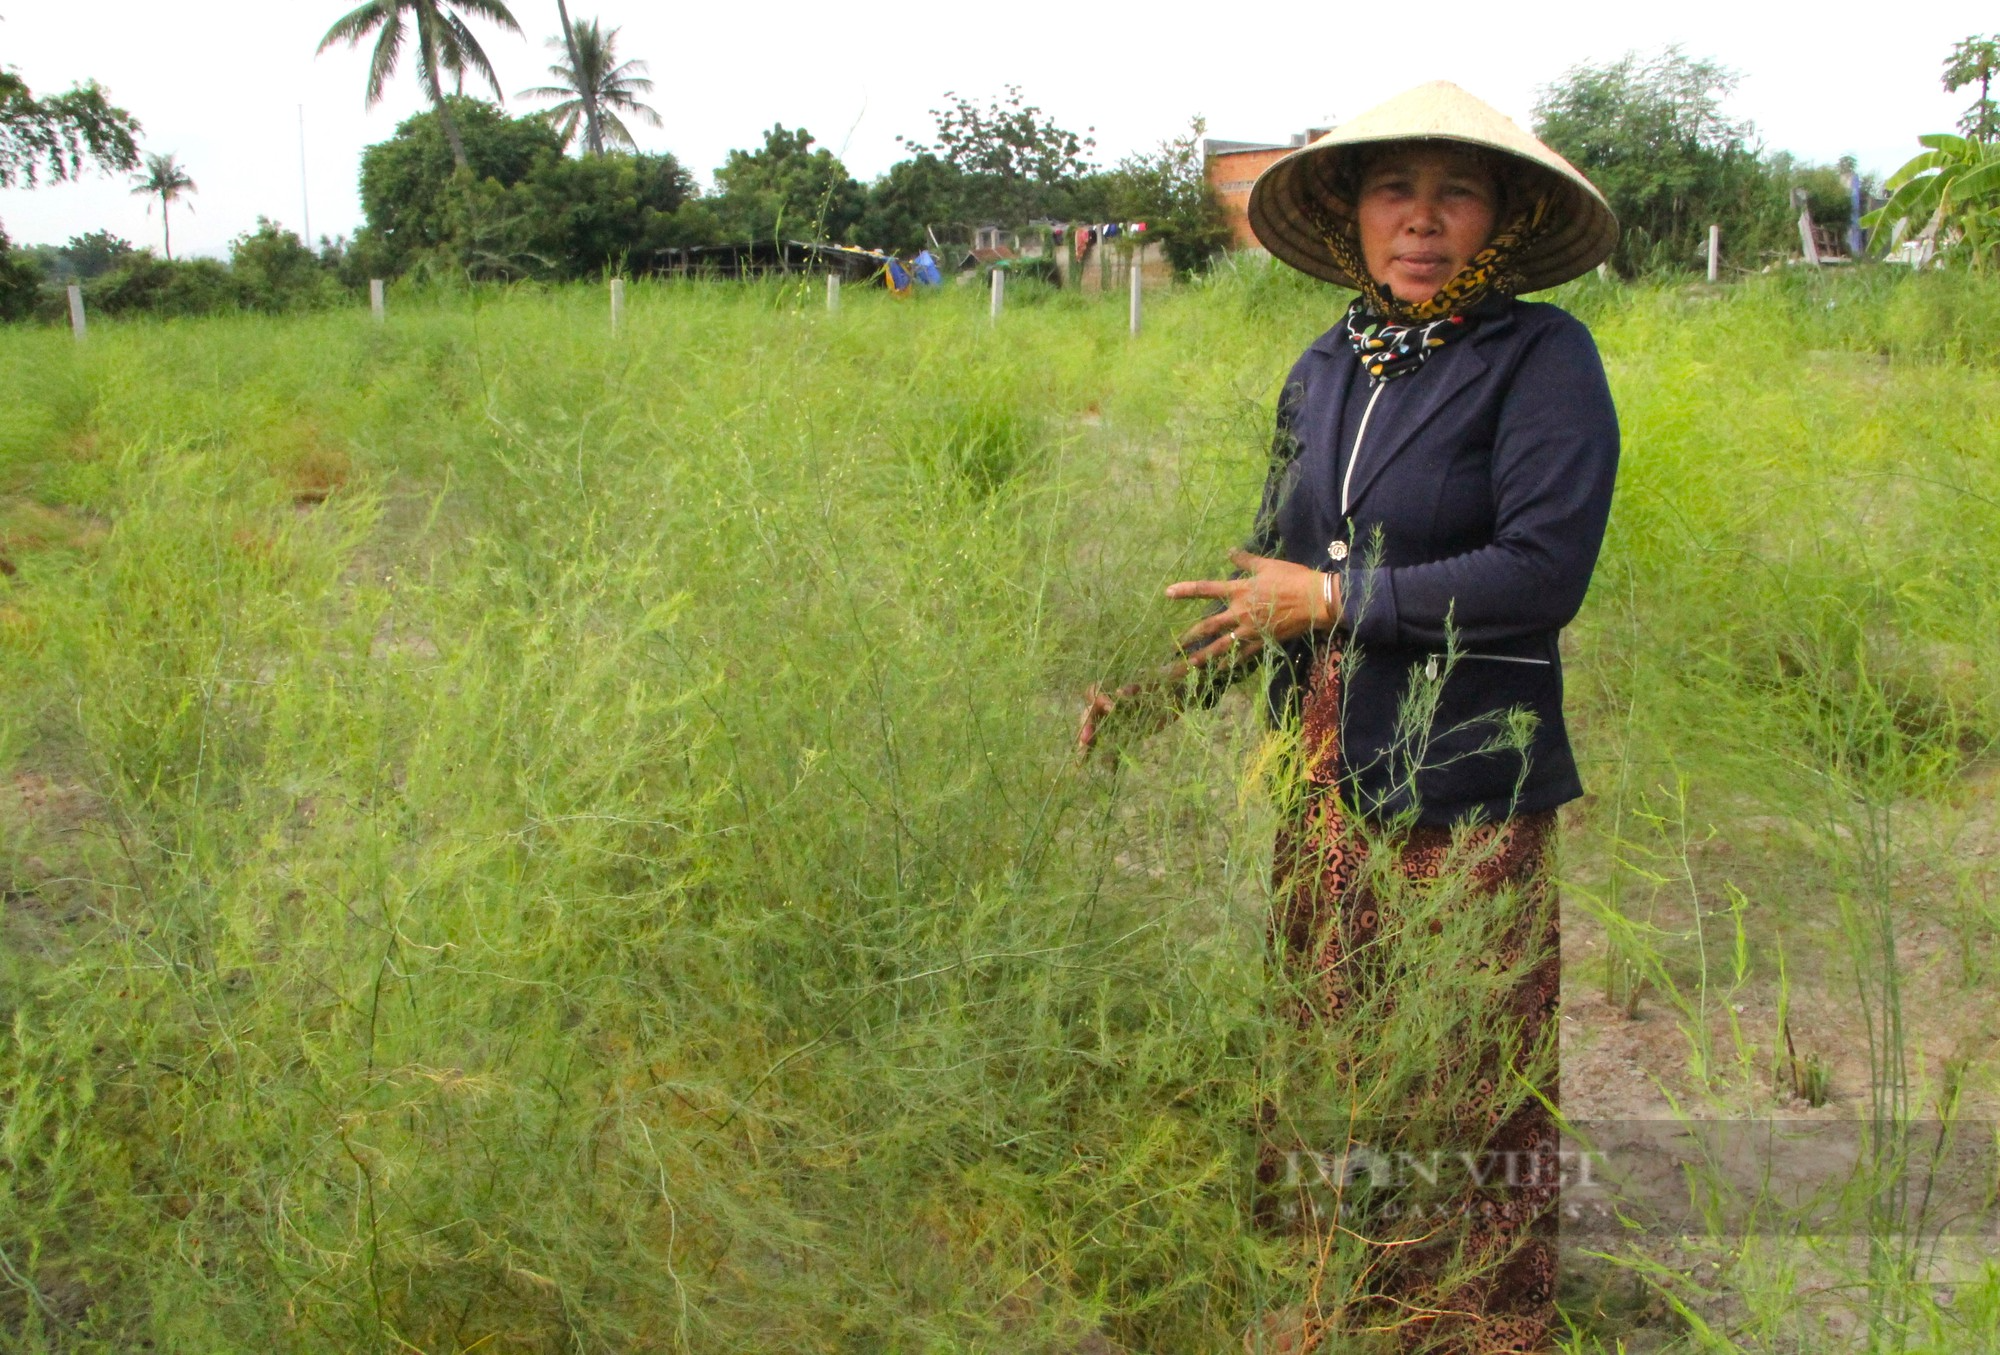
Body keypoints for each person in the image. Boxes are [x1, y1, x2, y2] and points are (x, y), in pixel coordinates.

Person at [1076, 82, 1620, 1353]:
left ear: (1504, 213)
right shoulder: (1324, 364)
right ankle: (1351, 1298)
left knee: (1464, 1060)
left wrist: (1331, 596)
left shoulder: (1541, 358)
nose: (1420, 220)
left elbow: (1543, 570)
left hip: (1464, 775)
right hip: (1323, 767)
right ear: (1351, 213)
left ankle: (1473, 1320)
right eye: (1393, 189)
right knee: (1333, 1038)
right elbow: (1269, 573)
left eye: (1454, 191)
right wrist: (1157, 693)